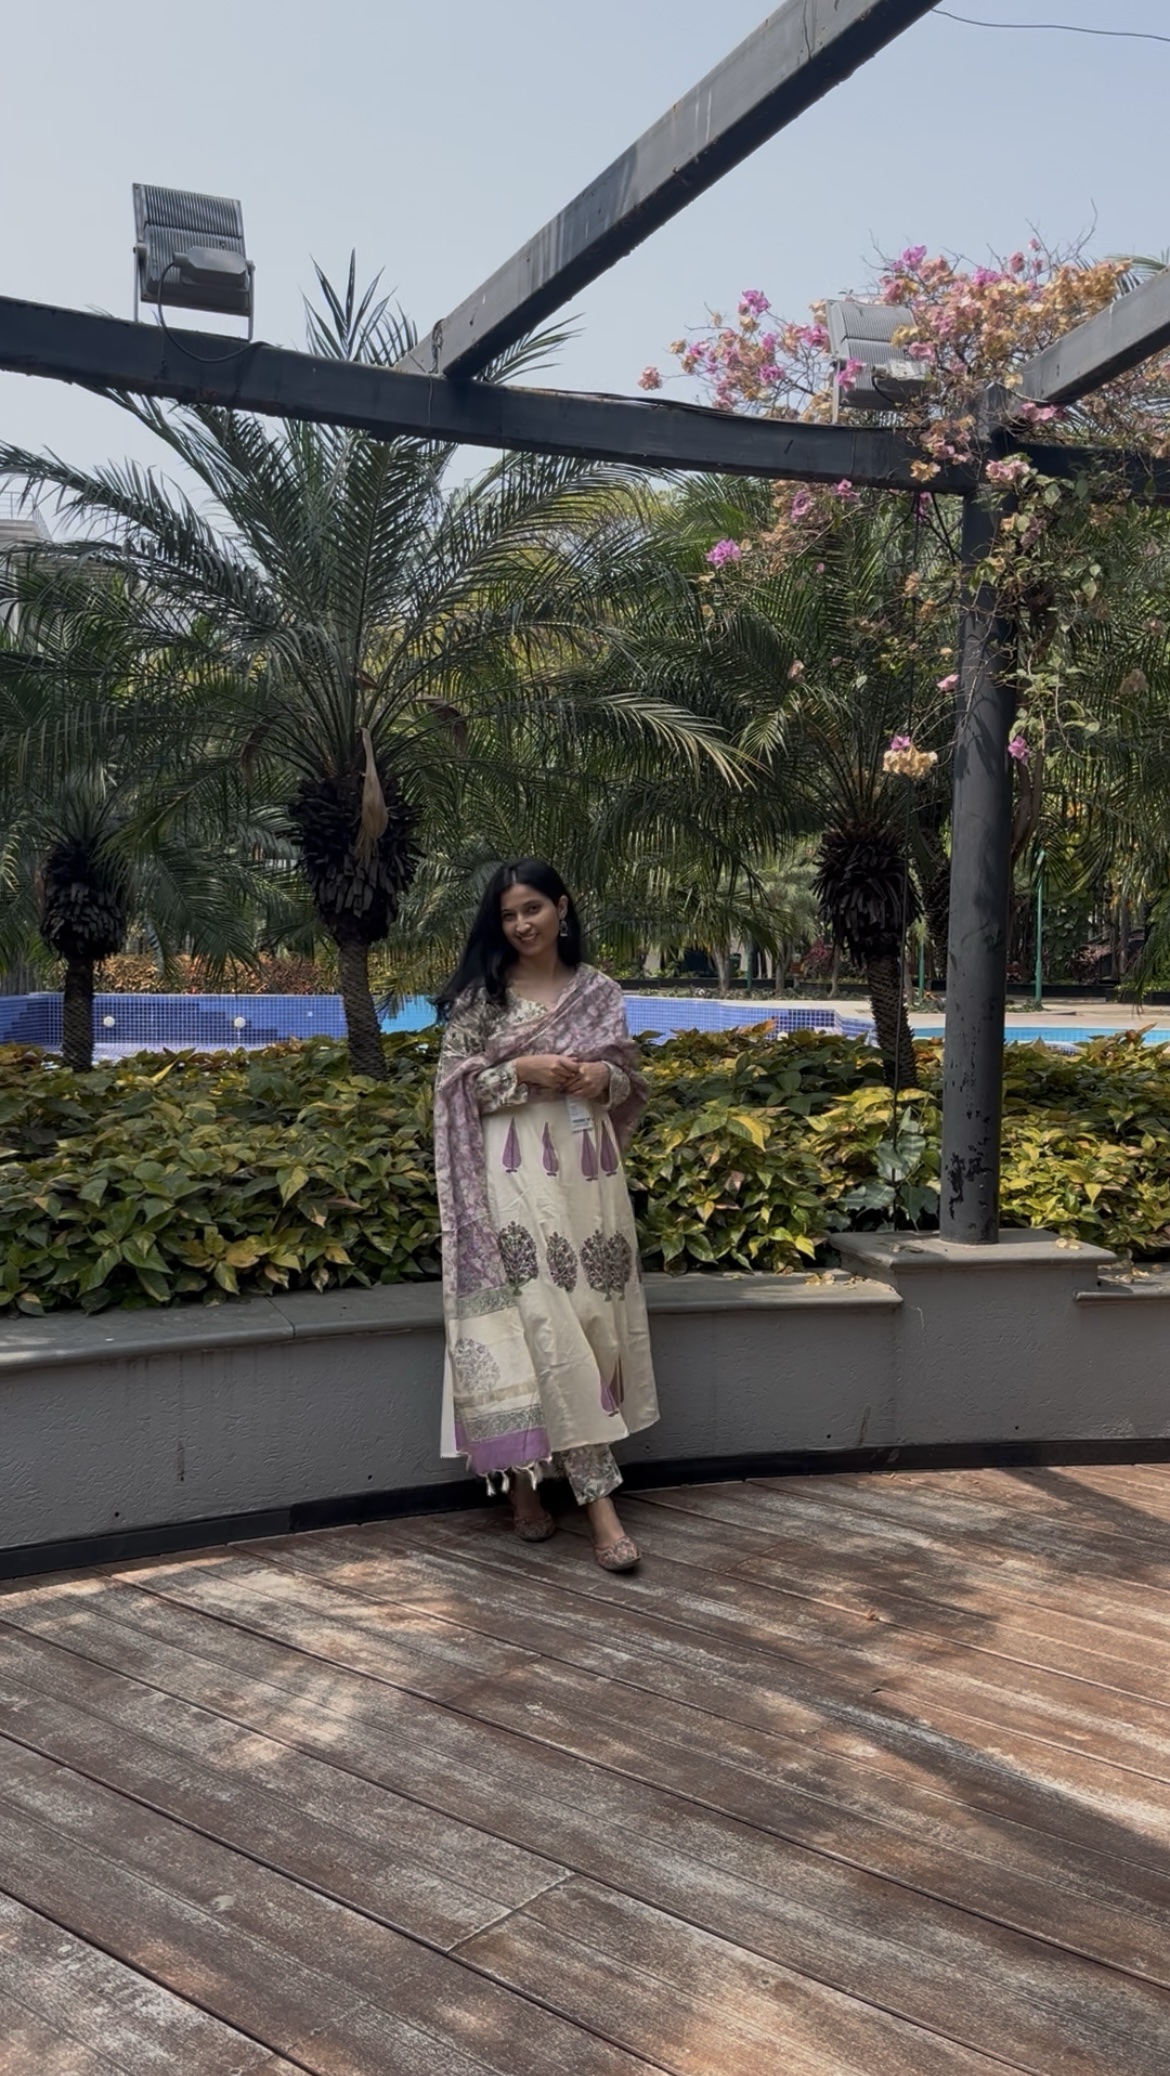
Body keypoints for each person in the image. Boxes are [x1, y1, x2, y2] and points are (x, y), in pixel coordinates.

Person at [434, 860, 659, 1571]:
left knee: (587, 1322)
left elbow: (628, 1082)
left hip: (587, 1180)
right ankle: (598, 1505)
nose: (521, 924)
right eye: (508, 915)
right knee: (540, 1319)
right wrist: (520, 1071)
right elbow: (452, 1092)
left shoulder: (600, 992)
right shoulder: (484, 999)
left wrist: (602, 1077)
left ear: (561, 907)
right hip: (511, 1177)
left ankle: (526, 1484)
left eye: (532, 908)